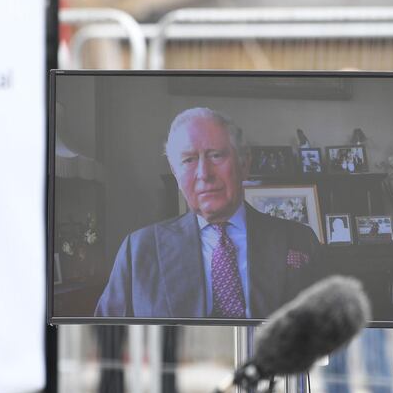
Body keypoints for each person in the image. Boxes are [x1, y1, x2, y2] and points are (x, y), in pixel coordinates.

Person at [94, 107, 320, 318]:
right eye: (189, 160)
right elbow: (106, 343)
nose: (204, 173)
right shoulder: (139, 249)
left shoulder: (299, 239)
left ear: (244, 164)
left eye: (216, 156)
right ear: (175, 173)